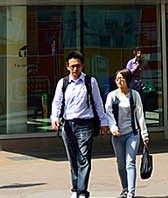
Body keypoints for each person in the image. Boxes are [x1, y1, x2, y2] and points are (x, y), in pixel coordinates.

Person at [50, 51, 108, 198]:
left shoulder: (90, 82)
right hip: (68, 125)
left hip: (85, 124)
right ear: (67, 67)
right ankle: (75, 189)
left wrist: (103, 122)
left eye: (78, 66)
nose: (75, 69)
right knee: (73, 158)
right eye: (72, 66)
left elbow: (98, 103)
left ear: (82, 66)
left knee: (84, 158)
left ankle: (82, 191)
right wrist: (54, 118)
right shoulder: (63, 83)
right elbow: (57, 102)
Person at [104, 68, 149, 198]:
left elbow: (140, 115)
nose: (119, 81)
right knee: (121, 164)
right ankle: (125, 188)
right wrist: (113, 127)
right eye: (117, 78)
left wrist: (144, 134)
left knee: (130, 162)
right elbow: (108, 113)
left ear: (127, 80)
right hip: (117, 135)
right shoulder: (112, 96)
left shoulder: (135, 95)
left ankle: (131, 192)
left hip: (132, 134)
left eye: (121, 78)